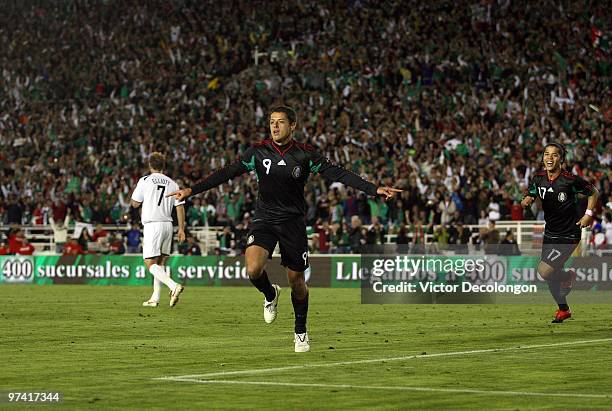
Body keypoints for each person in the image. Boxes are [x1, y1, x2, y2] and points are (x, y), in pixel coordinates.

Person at [168, 105, 402, 352]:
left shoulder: (305, 154)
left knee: (297, 281)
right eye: (271, 122)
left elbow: (339, 173)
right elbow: (226, 172)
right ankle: (270, 295)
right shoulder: (257, 152)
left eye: (280, 122)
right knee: (253, 268)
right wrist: (191, 190)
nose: (275, 126)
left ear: (293, 126)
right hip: (265, 219)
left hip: (292, 223)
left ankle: (300, 332)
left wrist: (374, 189)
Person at [521, 143, 599, 323]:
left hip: (569, 233)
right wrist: (527, 199)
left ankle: (567, 276)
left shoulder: (570, 180)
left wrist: (588, 214)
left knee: (544, 270)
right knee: (549, 275)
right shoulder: (538, 178)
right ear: (542, 158)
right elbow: (532, 192)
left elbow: (593, 192)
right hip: (550, 233)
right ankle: (563, 309)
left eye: (555, 155)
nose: (549, 158)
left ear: (561, 159)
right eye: (546, 154)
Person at [131, 152, 186, 308]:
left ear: (150, 165)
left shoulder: (145, 181)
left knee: (149, 262)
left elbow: (135, 203)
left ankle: (173, 285)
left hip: (152, 224)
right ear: (163, 166)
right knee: (160, 262)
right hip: (168, 225)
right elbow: (180, 207)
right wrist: (181, 229)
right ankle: (154, 298)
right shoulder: (173, 183)